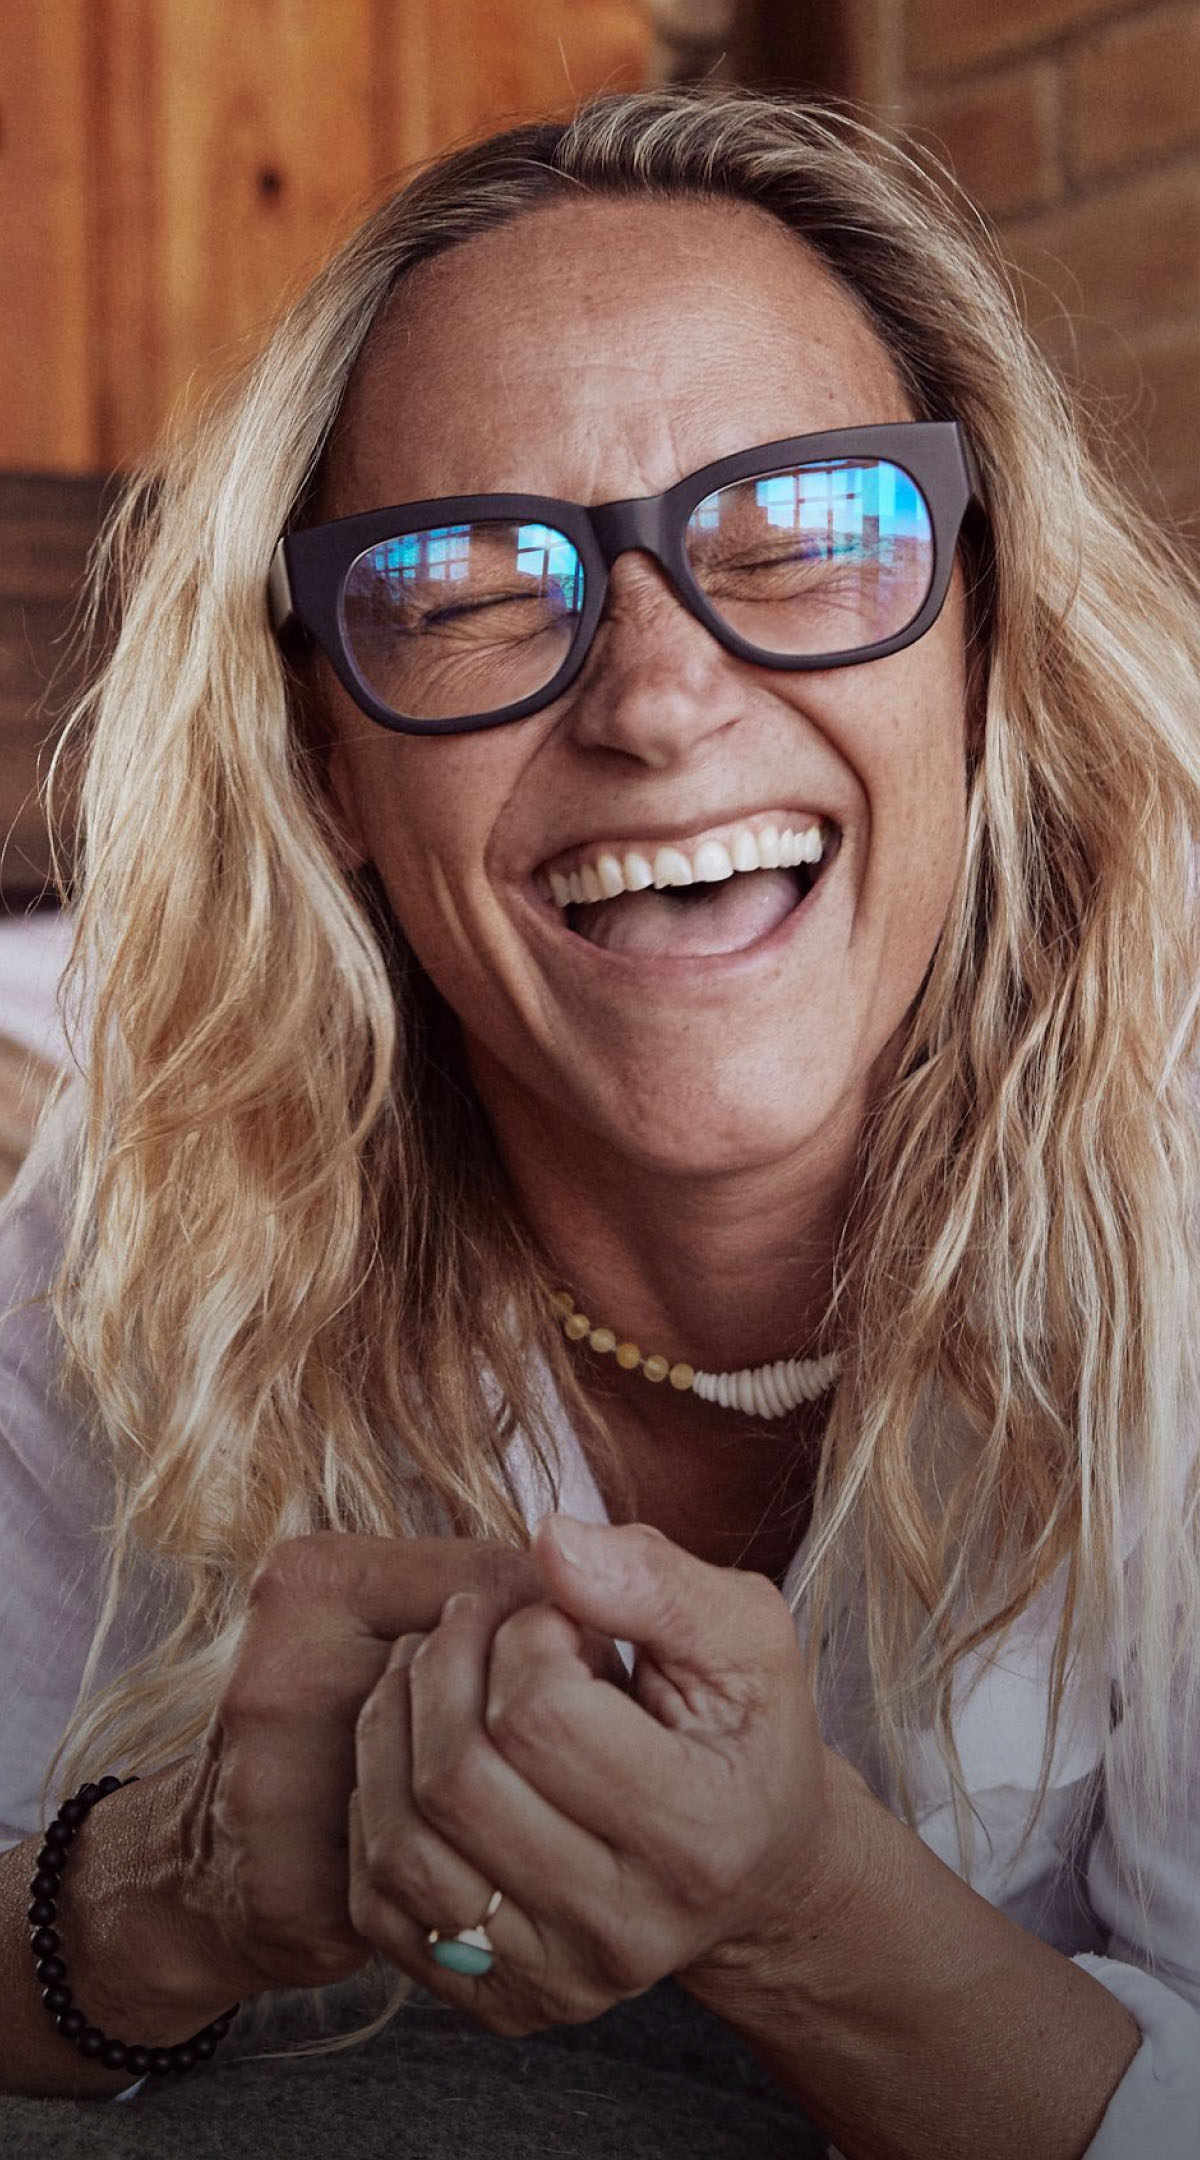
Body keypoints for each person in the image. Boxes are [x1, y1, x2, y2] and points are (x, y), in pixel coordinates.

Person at [1, 86, 1198, 2159]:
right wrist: (179, 1883)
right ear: (330, 763)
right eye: (468, 588)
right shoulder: (170, 1187)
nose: (653, 699)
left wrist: (801, 1911)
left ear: (984, 641)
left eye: (801, 538)